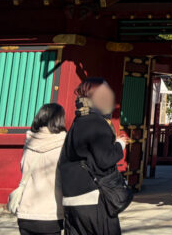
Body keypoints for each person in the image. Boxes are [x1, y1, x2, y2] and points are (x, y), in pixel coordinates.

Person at [59, 77, 128, 235]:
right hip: (92, 197)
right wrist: (119, 144)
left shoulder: (79, 121)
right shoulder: (96, 122)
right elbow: (105, 159)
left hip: (72, 197)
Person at [15, 103, 67, 235]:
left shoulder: (29, 142)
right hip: (50, 214)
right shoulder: (64, 144)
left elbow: (23, 168)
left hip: (26, 212)